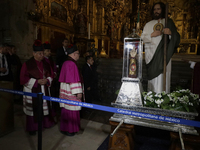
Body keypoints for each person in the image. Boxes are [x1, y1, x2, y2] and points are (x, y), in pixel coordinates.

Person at [141, 2, 180, 93]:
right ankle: (151, 100)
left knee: (163, 79)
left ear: (162, 10)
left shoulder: (168, 22)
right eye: (155, 9)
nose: (156, 11)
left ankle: (163, 101)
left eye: (158, 9)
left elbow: (177, 38)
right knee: (152, 83)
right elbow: (142, 38)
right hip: (151, 57)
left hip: (164, 56)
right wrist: (151, 35)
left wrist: (170, 33)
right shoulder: (148, 24)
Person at [20, 40, 55, 135]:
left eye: (43, 53)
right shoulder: (27, 64)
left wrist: (47, 80)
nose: (42, 55)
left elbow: (51, 75)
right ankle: (32, 128)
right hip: (32, 90)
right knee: (33, 111)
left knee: (45, 108)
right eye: (39, 53)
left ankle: (46, 124)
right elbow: (23, 78)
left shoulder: (46, 63)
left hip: (44, 89)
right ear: (33, 53)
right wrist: (36, 82)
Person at [59, 44, 83, 136]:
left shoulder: (66, 62)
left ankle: (64, 128)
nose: (79, 55)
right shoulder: (72, 64)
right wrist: (78, 92)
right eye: (78, 53)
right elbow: (73, 79)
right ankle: (70, 130)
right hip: (71, 91)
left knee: (66, 109)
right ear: (73, 53)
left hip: (65, 89)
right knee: (71, 110)